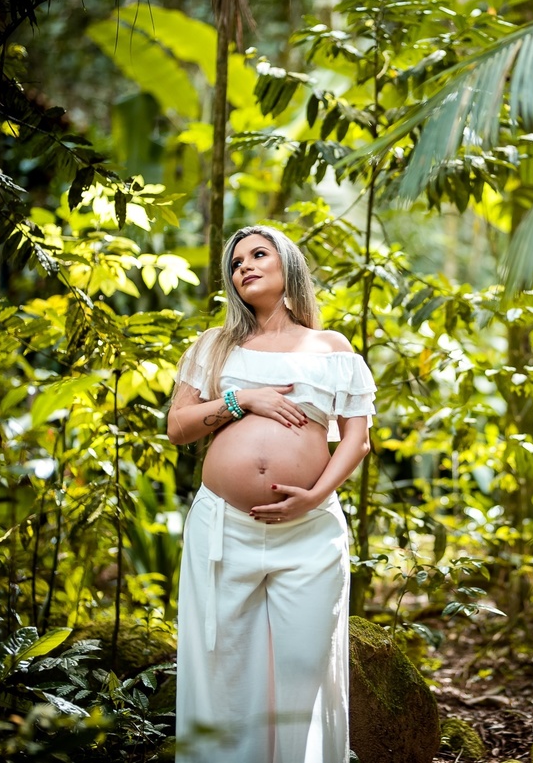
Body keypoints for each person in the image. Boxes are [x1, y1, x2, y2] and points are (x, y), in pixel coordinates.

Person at [166, 225, 376, 763]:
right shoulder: (215, 345)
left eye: (259, 255)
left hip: (309, 530)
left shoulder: (331, 348)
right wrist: (243, 401)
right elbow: (179, 427)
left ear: (289, 267)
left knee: (304, 666)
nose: (245, 267)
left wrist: (314, 496)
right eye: (236, 263)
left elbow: (357, 439)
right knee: (222, 664)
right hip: (223, 527)